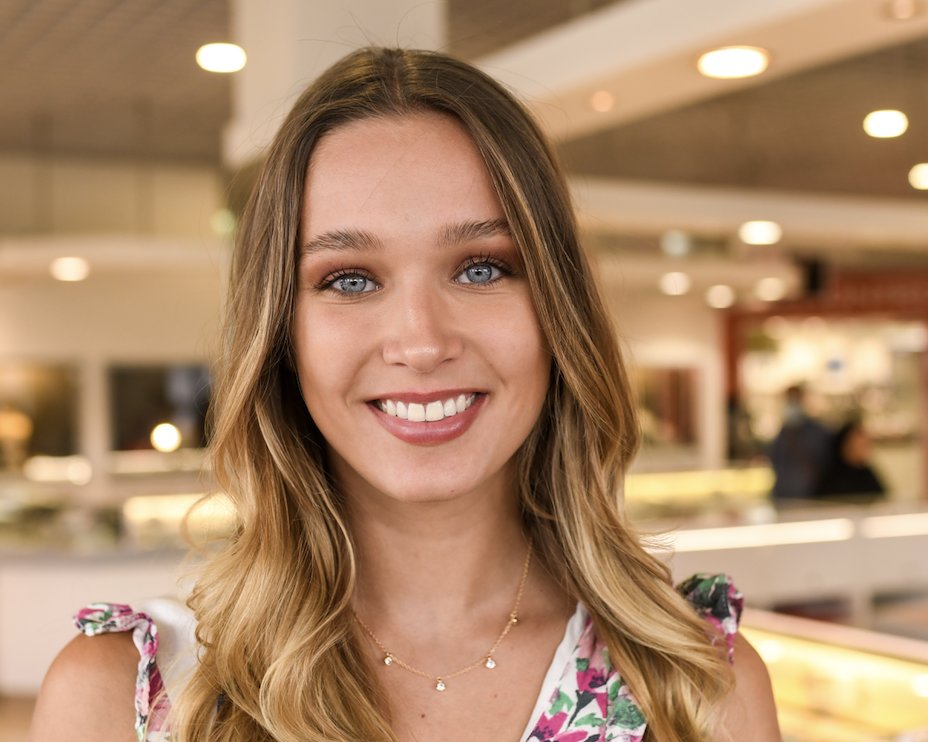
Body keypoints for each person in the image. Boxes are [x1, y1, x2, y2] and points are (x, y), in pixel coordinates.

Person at [30, 47, 779, 741]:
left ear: (558, 310)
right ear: (280, 334)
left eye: (482, 268)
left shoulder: (695, 685)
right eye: (349, 279)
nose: (421, 342)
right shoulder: (132, 700)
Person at [769, 384, 830, 502]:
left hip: (810, 498)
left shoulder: (816, 431)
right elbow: (774, 461)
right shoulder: (783, 433)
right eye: (789, 399)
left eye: (795, 398)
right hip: (783, 498)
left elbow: (824, 464)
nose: (792, 403)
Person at [817, 419, 886, 503]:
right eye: (862, 445)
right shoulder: (834, 478)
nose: (867, 449)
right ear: (847, 445)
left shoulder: (867, 473)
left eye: (867, 445)